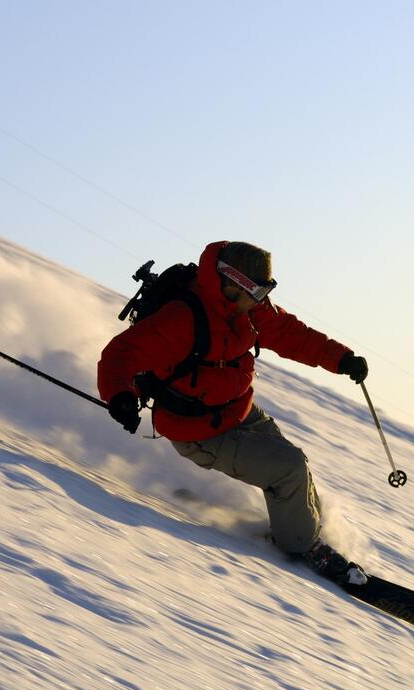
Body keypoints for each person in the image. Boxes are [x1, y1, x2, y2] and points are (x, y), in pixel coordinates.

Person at [97, 241, 370, 585]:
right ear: (229, 282)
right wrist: (120, 395)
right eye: (255, 291)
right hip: (197, 429)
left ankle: (305, 530)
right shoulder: (183, 317)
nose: (260, 301)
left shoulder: (246, 306)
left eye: (265, 291)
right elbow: (122, 353)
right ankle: (303, 546)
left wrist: (340, 358)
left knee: (292, 465)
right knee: (289, 469)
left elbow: (288, 334)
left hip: (237, 410)